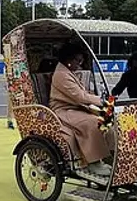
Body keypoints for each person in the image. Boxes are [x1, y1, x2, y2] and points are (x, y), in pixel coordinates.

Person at [48, 42, 113, 179]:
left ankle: (109, 155)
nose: (80, 63)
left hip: (76, 108)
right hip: (63, 110)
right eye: (78, 60)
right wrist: (100, 101)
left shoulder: (68, 71)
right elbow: (79, 96)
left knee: (109, 119)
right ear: (68, 59)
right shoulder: (61, 74)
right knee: (93, 123)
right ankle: (93, 161)